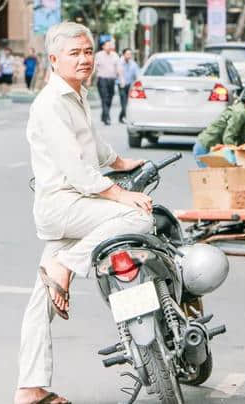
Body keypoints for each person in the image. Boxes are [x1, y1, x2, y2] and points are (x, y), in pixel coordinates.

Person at [14, 21, 154, 404]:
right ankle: (67, 266)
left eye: (88, 51)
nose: (84, 59)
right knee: (139, 219)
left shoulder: (75, 94)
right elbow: (76, 168)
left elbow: (91, 145)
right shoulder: (50, 103)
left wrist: (121, 161)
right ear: (54, 59)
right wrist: (118, 195)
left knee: (40, 301)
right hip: (65, 204)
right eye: (74, 53)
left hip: (72, 205)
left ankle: (30, 388)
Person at [192, 89, 245, 167]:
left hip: (212, 148)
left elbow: (241, 140)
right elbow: (228, 138)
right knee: (212, 177)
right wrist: (233, 157)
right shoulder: (240, 114)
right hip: (205, 148)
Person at [91, 40, 122, 125]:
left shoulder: (115, 55)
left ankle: (104, 115)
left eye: (110, 45)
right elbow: (94, 68)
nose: (109, 47)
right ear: (103, 47)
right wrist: (89, 78)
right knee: (104, 98)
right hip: (102, 80)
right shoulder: (99, 55)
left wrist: (121, 79)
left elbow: (118, 68)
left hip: (112, 80)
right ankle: (107, 117)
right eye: (107, 45)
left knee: (110, 98)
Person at [118, 48, 139, 124]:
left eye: (130, 54)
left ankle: (121, 116)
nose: (129, 56)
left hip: (130, 85)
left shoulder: (133, 64)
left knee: (128, 102)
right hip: (121, 85)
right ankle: (125, 116)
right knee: (123, 102)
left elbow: (137, 75)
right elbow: (119, 73)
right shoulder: (119, 63)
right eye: (127, 54)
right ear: (123, 55)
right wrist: (121, 80)